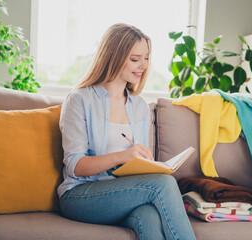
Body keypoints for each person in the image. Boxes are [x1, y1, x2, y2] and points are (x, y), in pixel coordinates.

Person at [57, 23, 196, 240]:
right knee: (164, 184)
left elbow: (138, 164)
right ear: (114, 57)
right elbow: (75, 166)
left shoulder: (139, 105)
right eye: (135, 58)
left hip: (121, 194)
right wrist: (123, 156)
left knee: (148, 215)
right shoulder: (79, 99)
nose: (143, 65)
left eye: (147, 58)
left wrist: (149, 165)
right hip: (79, 195)